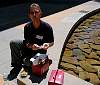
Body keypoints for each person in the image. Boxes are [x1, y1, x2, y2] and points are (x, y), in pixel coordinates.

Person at [7, 3, 54, 80]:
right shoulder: (27, 27)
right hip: (29, 48)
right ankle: (16, 64)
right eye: (32, 13)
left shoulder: (47, 27)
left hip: (40, 51)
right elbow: (26, 42)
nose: (34, 15)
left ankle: (25, 60)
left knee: (27, 63)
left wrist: (48, 45)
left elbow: (52, 42)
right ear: (29, 15)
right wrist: (31, 46)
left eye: (36, 12)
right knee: (13, 42)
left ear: (40, 13)